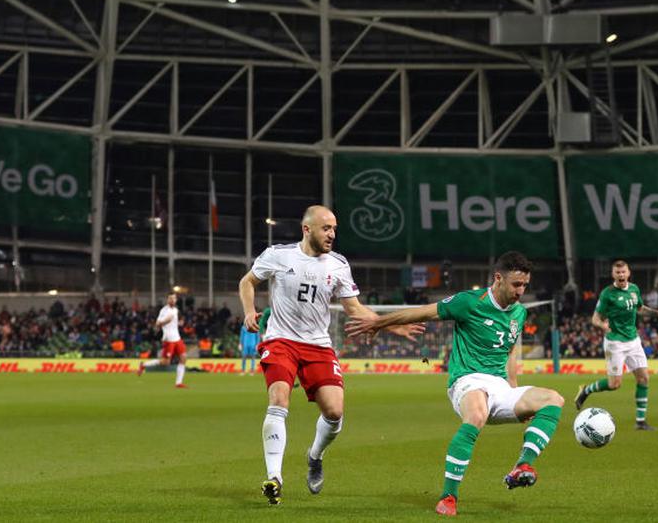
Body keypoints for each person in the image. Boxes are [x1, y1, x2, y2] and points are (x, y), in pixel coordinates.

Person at [345, 251, 565, 517]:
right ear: (498, 278)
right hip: (467, 380)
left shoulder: (518, 312)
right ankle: (449, 496)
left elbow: (510, 353)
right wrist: (380, 322)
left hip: (500, 387)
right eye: (516, 284)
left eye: (525, 285)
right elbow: (424, 313)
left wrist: (514, 391)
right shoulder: (469, 302)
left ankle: (523, 465)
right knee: (477, 414)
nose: (521, 291)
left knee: (554, 399)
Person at [238, 205, 423, 506]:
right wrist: (248, 311)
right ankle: (275, 477)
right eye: (326, 228)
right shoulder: (278, 255)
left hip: (318, 346)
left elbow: (353, 308)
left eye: (334, 229)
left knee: (335, 413)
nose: (332, 235)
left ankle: (315, 455)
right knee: (279, 398)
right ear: (307, 229)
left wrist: (390, 325)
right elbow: (247, 282)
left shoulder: (338, 264)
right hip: (281, 340)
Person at [574, 260, 658, 431]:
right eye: (617, 272)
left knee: (644, 378)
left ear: (628, 273)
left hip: (633, 340)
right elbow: (595, 318)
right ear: (613, 275)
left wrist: (657, 314)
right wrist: (603, 325)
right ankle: (586, 390)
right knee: (614, 385)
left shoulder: (634, 289)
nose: (621, 275)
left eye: (623, 272)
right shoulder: (607, 294)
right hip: (615, 342)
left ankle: (640, 422)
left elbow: (639, 308)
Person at [136, 292, 188, 388]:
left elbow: (175, 323)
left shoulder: (176, 310)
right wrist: (165, 321)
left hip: (177, 338)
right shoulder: (164, 310)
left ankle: (178, 383)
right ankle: (143, 365)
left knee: (183, 358)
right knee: (165, 362)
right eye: (170, 298)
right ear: (167, 300)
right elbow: (157, 323)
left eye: (174, 298)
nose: (172, 300)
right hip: (169, 339)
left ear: (176, 300)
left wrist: (180, 323)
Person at [240, 308, 265, 374]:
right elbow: (242, 336)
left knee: (253, 357)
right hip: (245, 344)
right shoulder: (243, 327)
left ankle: (252, 370)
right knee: (244, 357)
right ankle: (243, 370)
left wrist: (257, 344)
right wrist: (240, 343)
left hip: (253, 344)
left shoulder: (255, 326)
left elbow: (258, 336)